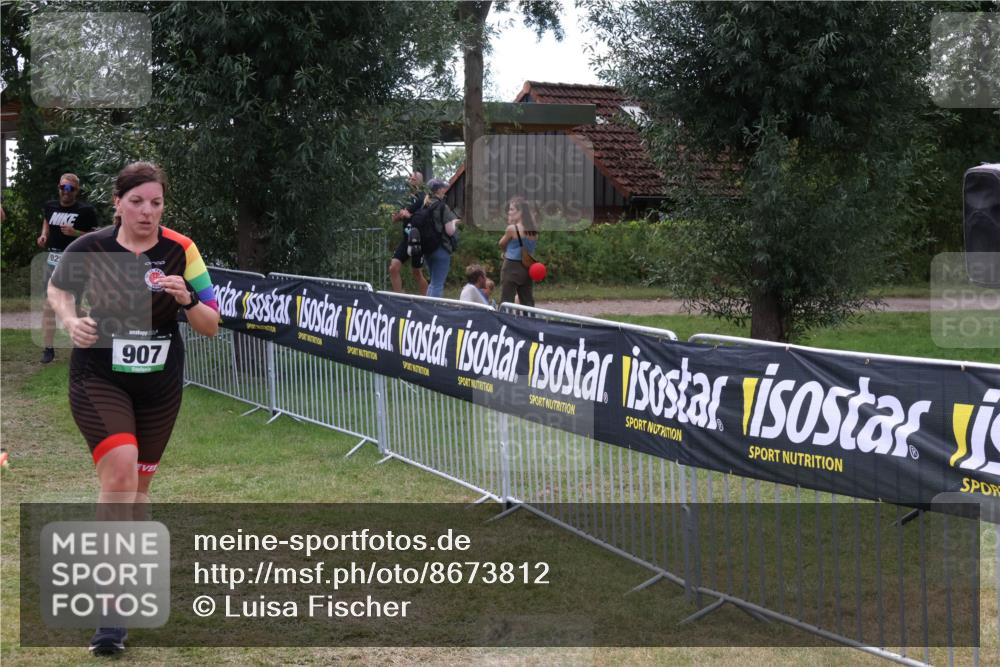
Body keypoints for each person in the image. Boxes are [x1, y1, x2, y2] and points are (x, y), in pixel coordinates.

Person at [47, 162, 219, 655]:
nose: (147, 211)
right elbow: (58, 289)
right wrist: (69, 319)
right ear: (118, 202)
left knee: (139, 489)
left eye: (156, 203)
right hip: (99, 372)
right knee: (119, 474)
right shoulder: (91, 246)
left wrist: (187, 300)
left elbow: (211, 323)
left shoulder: (180, 250)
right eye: (137, 201)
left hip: (159, 381)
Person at [37, 173, 100, 363]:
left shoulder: (85, 210)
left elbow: (95, 235)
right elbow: (47, 220)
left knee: (74, 307)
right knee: (49, 305)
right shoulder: (50, 206)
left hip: (76, 262)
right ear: (58, 187)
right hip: (53, 260)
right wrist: (44, 235)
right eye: (63, 188)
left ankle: (89, 335)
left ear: (76, 191)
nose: (66, 192)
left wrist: (75, 233)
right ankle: (48, 348)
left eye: (70, 189)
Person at [416, 178, 460, 298]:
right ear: (439, 190)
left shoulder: (425, 205)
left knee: (433, 283)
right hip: (441, 248)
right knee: (437, 285)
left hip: (427, 249)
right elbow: (449, 231)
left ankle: (428, 309)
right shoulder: (442, 206)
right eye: (443, 188)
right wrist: (455, 222)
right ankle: (432, 312)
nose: (445, 190)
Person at [387, 171, 429, 294]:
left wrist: (408, 215)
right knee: (393, 268)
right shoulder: (405, 198)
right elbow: (394, 218)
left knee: (417, 273)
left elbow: (425, 217)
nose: (411, 180)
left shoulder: (423, 197)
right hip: (406, 239)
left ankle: (426, 301)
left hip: (418, 240)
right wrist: (399, 216)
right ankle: (399, 298)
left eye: (414, 178)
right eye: (410, 178)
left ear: (420, 181)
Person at [497, 196, 539, 307]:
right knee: (527, 300)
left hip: (511, 266)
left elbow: (501, 243)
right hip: (527, 266)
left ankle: (504, 322)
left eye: (511, 209)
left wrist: (505, 252)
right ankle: (530, 322)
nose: (509, 212)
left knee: (506, 300)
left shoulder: (512, 229)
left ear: (520, 212)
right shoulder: (533, 230)